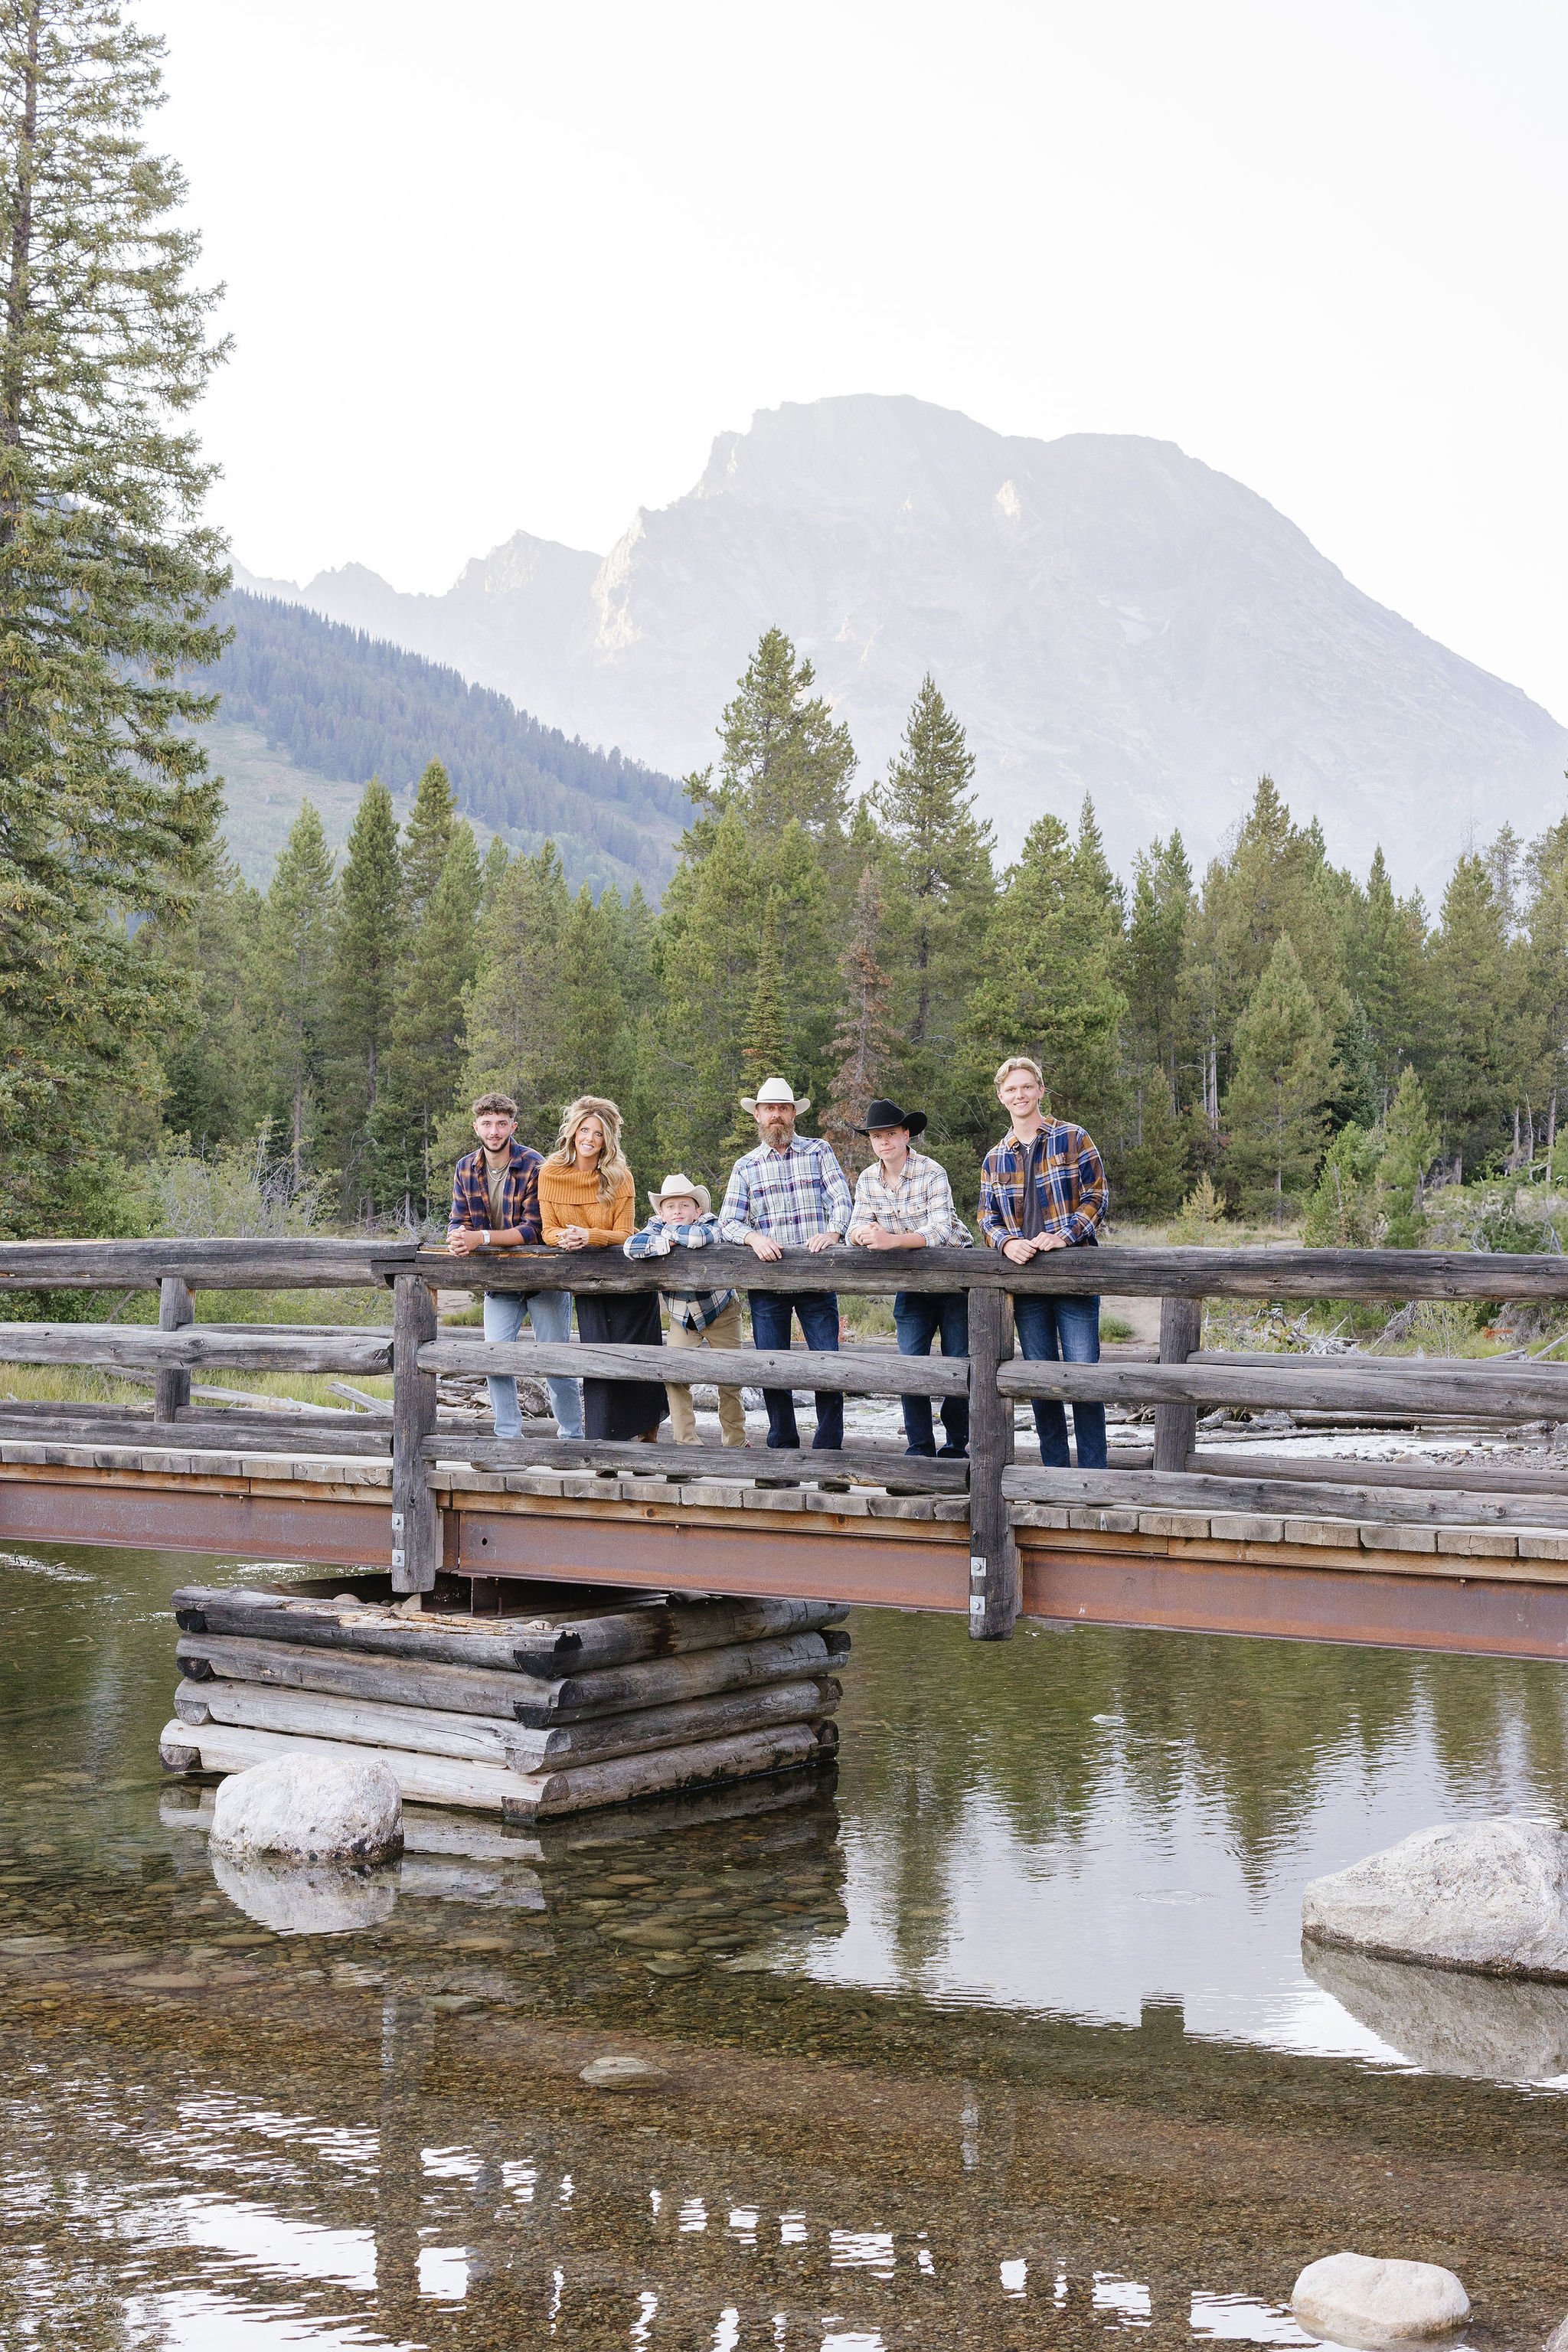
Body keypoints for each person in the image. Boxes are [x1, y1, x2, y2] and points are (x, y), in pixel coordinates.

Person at [978, 1055, 1109, 1469]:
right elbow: (986, 1217)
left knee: (1084, 1377)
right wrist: (1005, 1244)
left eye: (1026, 1087)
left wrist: (1064, 1237)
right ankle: (1054, 1472)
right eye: (1011, 1089)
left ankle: (1094, 1475)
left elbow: (1097, 1196)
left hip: (1073, 1278)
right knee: (1041, 1382)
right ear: (1001, 1097)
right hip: (1027, 1283)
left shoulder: (1073, 1138)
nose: (1019, 1095)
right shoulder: (995, 1158)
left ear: (1040, 1090)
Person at [719, 1076, 852, 1452]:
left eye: (783, 1108)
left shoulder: (819, 1151)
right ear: (757, 1116)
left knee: (827, 1365)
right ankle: (782, 1448)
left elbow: (842, 1199)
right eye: (769, 1109)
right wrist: (753, 1238)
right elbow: (728, 1220)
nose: (776, 1115)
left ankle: (829, 1450)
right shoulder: (745, 1166)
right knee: (771, 1368)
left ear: (794, 1113)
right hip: (767, 1283)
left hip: (815, 1278)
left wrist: (835, 1232)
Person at [446, 1091, 583, 1442]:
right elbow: (458, 1218)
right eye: (488, 1124)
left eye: (501, 1124)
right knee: (495, 1361)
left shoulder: (535, 1164)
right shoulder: (466, 1167)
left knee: (557, 1364)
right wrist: (458, 1236)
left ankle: (571, 1438)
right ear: (476, 1126)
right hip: (498, 1282)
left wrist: (482, 1239)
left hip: (542, 1280)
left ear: (513, 1126)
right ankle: (508, 1439)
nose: (494, 1131)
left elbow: (533, 1229)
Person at [847, 1097, 973, 1457]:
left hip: (953, 1279)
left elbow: (940, 1228)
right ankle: (919, 1445)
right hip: (911, 1281)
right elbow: (854, 1224)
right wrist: (863, 1235)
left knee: (958, 1363)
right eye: (876, 1137)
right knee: (909, 1365)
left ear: (906, 1135)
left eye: (890, 1134)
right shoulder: (869, 1178)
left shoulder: (932, 1171)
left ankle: (957, 1444)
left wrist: (890, 1241)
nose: (883, 1142)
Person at [539, 1095, 666, 1443]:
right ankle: (605, 1445)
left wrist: (590, 1236)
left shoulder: (619, 1177)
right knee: (599, 1363)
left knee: (640, 1359)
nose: (590, 1139)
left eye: (598, 1134)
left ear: (607, 1140)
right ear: (573, 1133)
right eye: (584, 1130)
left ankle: (647, 1437)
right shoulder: (550, 1173)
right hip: (588, 1285)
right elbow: (547, 1229)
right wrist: (564, 1238)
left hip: (630, 1283)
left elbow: (625, 1233)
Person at [625, 1174, 747, 1449]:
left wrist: (665, 1235)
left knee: (731, 1377)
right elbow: (630, 1247)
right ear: (661, 1212)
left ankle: (735, 1443)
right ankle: (686, 1444)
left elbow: (699, 1238)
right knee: (675, 1377)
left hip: (721, 1311)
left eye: (684, 1206)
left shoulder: (711, 1223)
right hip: (682, 1315)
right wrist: (660, 1241)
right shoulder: (653, 1227)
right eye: (670, 1207)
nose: (677, 1212)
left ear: (698, 1210)